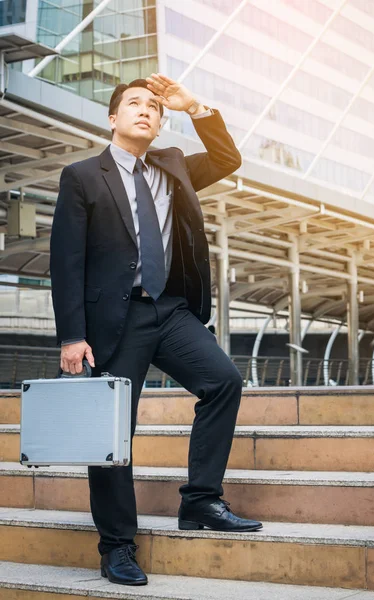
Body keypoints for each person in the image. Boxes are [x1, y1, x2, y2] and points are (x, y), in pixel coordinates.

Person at [50, 74, 262, 587]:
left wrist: (196, 107)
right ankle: (117, 545)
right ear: (113, 117)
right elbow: (66, 260)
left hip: (170, 312)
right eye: (134, 104)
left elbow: (228, 159)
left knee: (224, 381)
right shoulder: (82, 176)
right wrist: (71, 336)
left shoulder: (174, 168)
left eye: (154, 106)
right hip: (111, 324)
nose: (145, 111)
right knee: (112, 433)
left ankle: (201, 501)